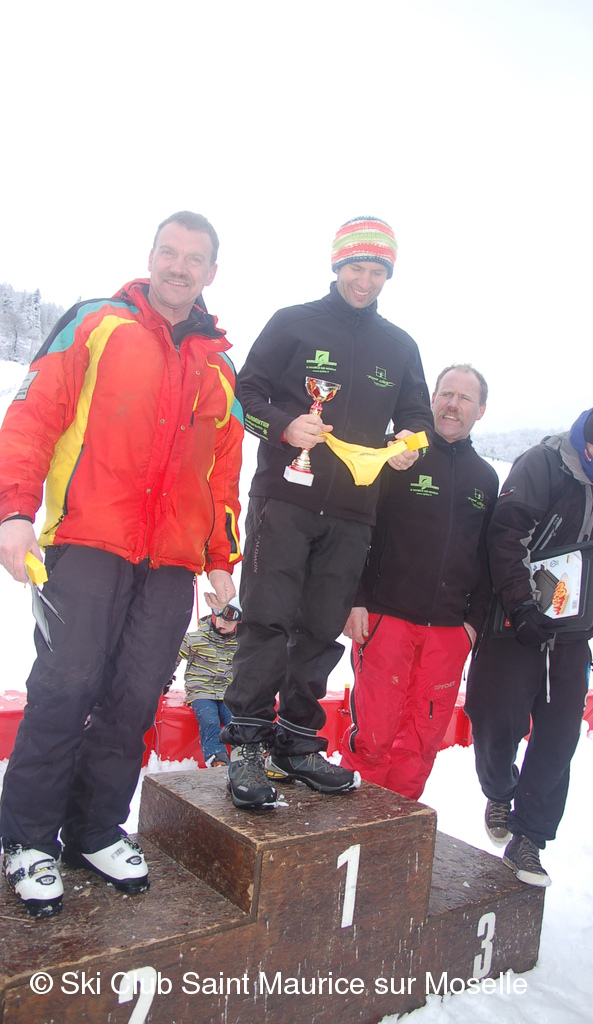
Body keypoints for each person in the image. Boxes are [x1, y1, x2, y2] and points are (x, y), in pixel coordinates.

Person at [0, 212, 243, 917]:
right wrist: (15, 511)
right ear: (151, 256)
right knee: (66, 686)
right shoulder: (97, 322)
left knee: (134, 698)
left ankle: (96, 829)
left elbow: (222, 475)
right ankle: (26, 839)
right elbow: (33, 417)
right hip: (86, 541)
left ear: (210, 272)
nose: (178, 266)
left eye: (193, 258)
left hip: (169, 563)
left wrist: (220, 559)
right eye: (169, 252)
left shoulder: (218, 365)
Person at [223, 216, 434, 809]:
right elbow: (244, 394)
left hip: (354, 508)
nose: (365, 281)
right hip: (284, 496)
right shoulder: (293, 322)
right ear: (337, 265)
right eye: (356, 268)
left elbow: (416, 418)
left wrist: (409, 446)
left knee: (319, 626)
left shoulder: (400, 346)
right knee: (267, 619)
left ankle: (296, 741)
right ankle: (247, 744)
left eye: (377, 272)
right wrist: (283, 425)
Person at [465, 397, 593, 887]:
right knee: (494, 722)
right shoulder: (543, 464)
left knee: (558, 739)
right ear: (587, 439)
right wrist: (522, 606)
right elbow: (506, 537)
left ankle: (529, 839)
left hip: (573, 632)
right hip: (513, 622)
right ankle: (499, 790)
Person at [340, 364, 498, 799]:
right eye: (446, 394)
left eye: (465, 398)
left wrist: (473, 625)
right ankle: (354, 824)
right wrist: (355, 597)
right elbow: (358, 528)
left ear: (481, 410)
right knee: (374, 736)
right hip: (386, 619)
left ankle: (398, 828)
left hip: (449, 632)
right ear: (432, 399)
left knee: (421, 744)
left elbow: (489, 560)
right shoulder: (399, 455)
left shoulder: (485, 478)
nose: (453, 405)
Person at [178, 605, 241, 767]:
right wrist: (164, 677)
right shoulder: (196, 639)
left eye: (229, 621)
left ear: (238, 622)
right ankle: (216, 756)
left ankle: (242, 752)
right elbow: (173, 654)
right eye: (220, 618)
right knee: (209, 719)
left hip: (227, 692)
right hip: (201, 690)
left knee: (234, 718)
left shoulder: (240, 643)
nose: (223, 623)